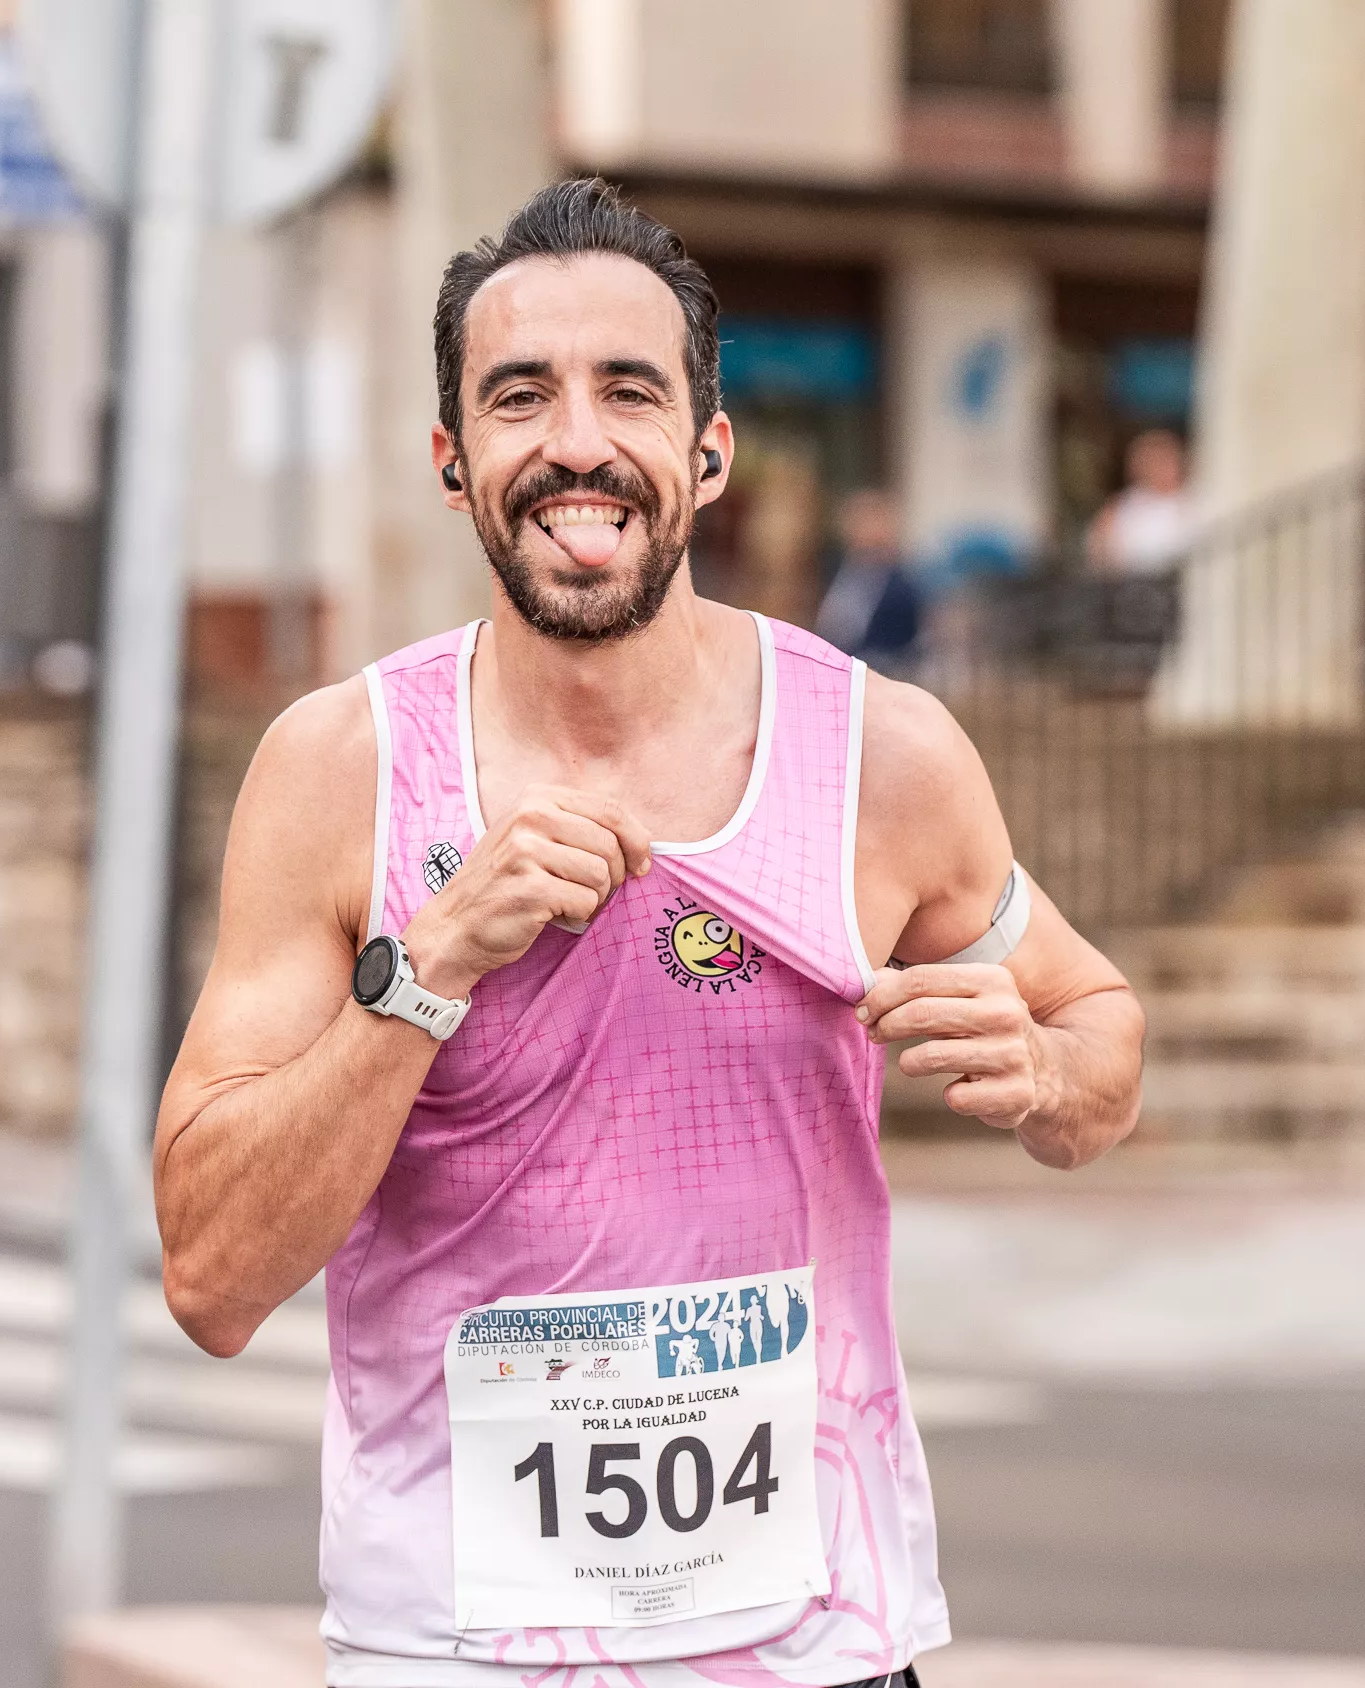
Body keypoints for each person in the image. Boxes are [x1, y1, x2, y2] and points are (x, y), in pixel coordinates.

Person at [154, 178, 1145, 1688]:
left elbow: (1100, 1041)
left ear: (708, 450)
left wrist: (1045, 1072)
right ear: (452, 461)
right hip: (457, 1656)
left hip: (814, 1648)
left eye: (628, 389)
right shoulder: (340, 770)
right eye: (518, 397)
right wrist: (426, 972)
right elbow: (213, 1277)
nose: (575, 443)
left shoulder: (882, 754)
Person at [813, 487, 924, 675]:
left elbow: (903, 646)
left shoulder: (901, 586)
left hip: (875, 672)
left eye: (870, 521)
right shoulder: (832, 569)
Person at [1085, 428, 1201, 574]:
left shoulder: (1194, 499)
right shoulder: (1122, 504)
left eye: (1166, 459)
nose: (1162, 467)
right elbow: (1099, 549)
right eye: (1153, 460)